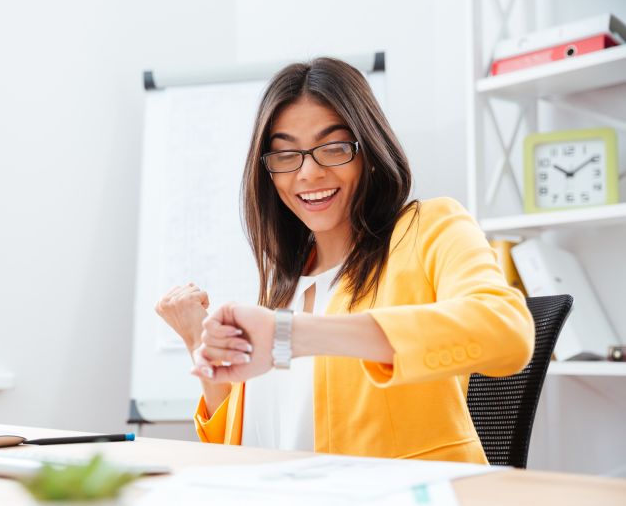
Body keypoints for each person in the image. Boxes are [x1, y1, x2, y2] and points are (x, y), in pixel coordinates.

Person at [155, 57, 534, 463]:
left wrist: (293, 335)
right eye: (285, 156)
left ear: (368, 150)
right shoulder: (284, 285)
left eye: (333, 148)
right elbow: (242, 446)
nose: (308, 173)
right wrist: (199, 340)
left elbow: (506, 329)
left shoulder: (429, 228)